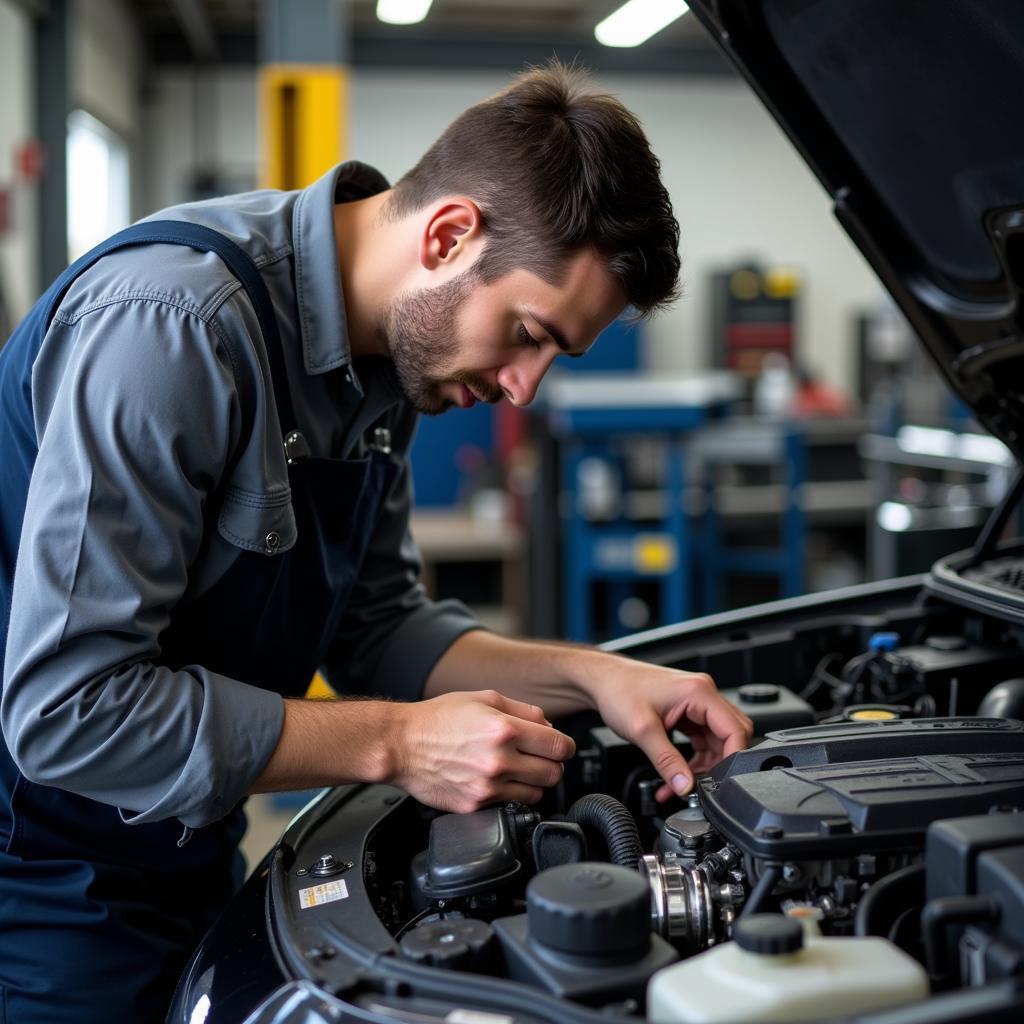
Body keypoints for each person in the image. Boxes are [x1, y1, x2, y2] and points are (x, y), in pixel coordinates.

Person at [0, 62, 752, 1021]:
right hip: (40, 881)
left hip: (184, 851)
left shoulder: (393, 366)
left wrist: (593, 675)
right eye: (527, 332)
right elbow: (72, 709)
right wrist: (396, 744)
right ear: (448, 236)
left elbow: (381, 629)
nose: (526, 387)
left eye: (555, 355)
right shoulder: (173, 328)